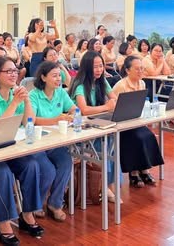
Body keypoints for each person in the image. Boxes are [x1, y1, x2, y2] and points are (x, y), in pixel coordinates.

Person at [0, 57, 53, 245]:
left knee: (32, 165)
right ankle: (4, 224)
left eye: (15, 71)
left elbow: (28, 123)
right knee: (3, 174)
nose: (13, 74)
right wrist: (15, 103)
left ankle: (27, 215)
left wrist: (27, 100)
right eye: (8, 71)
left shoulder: (15, 95)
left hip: (9, 148)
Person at [29, 61, 75, 221]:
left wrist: (72, 115)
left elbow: (73, 108)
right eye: (54, 76)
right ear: (43, 77)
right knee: (48, 170)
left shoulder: (60, 92)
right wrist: (56, 119)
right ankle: (37, 203)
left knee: (66, 163)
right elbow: (32, 120)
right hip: (38, 143)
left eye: (59, 76)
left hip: (56, 142)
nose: (58, 79)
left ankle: (55, 204)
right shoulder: (34, 95)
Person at [70, 51, 118, 202]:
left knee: (112, 142)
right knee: (106, 144)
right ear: (86, 67)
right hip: (80, 129)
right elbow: (83, 110)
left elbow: (114, 99)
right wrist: (106, 107)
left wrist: (111, 104)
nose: (99, 70)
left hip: (96, 124)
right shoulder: (79, 85)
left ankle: (108, 184)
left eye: (101, 66)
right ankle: (104, 185)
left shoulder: (102, 82)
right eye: (95, 67)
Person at [112, 55, 164, 187]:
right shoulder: (120, 86)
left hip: (135, 120)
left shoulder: (142, 83)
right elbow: (114, 108)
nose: (140, 71)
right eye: (137, 69)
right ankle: (133, 172)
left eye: (142, 68)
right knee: (136, 138)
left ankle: (145, 170)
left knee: (149, 135)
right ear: (127, 70)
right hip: (122, 124)